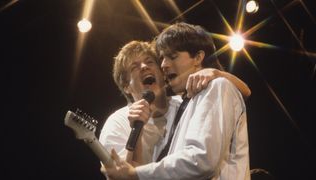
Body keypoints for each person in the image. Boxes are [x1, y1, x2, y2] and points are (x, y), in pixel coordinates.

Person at [102, 22, 250, 180]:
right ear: (126, 86)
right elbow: (121, 173)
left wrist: (218, 74)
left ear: (198, 57)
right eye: (134, 67)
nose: (164, 65)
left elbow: (200, 160)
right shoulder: (188, 103)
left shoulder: (215, 87)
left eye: (172, 57)